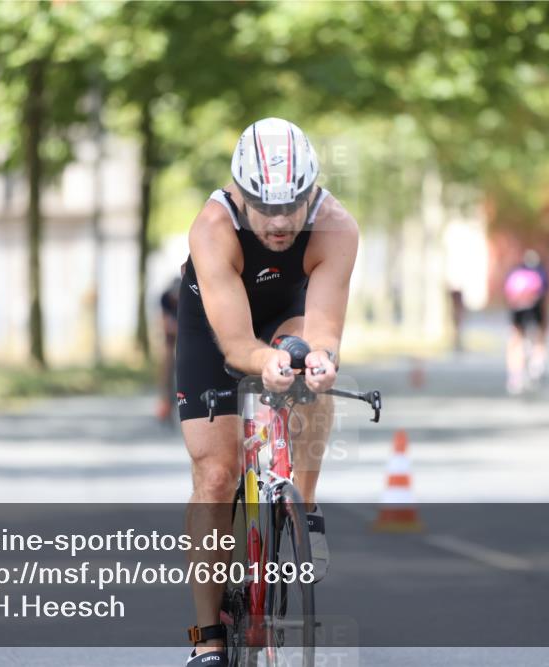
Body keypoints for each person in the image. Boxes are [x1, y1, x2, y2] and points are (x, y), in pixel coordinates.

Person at [176, 118, 358, 665]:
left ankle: (305, 502)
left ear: (311, 192)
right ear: (240, 192)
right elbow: (236, 346)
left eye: (292, 205)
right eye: (265, 206)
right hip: (217, 324)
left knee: (309, 364)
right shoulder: (213, 227)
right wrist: (262, 361)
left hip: (290, 311)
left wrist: (318, 360)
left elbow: (323, 331)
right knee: (215, 476)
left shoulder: (335, 227)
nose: (280, 221)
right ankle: (207, 637)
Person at [503, 249, 549, 394]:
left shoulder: (515, 273)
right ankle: (537, 364)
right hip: (535, 309)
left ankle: (515, 376)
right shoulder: (540, 273)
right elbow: (545, 297)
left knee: (516, 339)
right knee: (539, 337)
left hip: (517, 309)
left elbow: (508, 294)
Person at [157, 278, 182, 425]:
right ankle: (165, 399)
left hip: (185, 330)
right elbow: (164, 322)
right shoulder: (165, 298)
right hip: (170, 334)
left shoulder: (188, 297)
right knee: (166, 361)